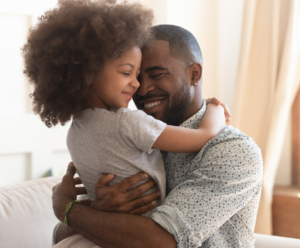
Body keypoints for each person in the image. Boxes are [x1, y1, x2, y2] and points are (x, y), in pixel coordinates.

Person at [22, 0, 229, 246]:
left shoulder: (75, 132)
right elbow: (204, 136)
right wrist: (215, 107)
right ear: (89, 73)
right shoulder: (128, 123)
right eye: (127, 72)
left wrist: (75, 209)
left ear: (194, 73)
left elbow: (70, 229)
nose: (138, 85)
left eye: (148, 73)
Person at [52, 23, 263, 248]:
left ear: (195, 74)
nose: (140, 90)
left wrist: (68, 210)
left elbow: (162, 242)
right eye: (133, 75)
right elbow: (63, 236)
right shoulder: (124, 135)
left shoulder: (232, 150)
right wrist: (95, 211)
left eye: (157, 75)